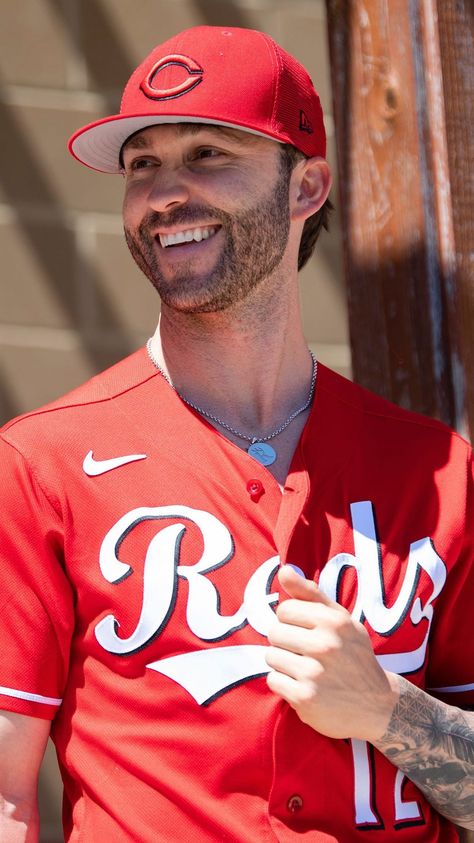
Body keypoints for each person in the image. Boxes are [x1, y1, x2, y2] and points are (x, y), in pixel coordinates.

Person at [0, 24, 472, 843]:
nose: (165, 192)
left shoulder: (438, 470)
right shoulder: (42, 462)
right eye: (143, 164)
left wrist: (384, 706)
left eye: (207, 154)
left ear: (307, 187)